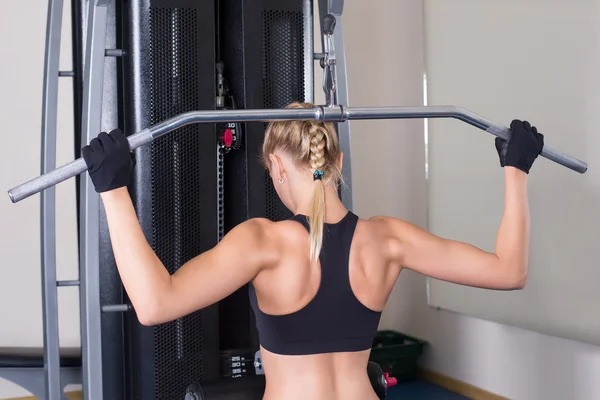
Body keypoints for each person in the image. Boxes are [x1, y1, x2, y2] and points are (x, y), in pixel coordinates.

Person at [81, 102, 544, 400]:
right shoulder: (388, 240)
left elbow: (154, 303)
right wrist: (515, 170)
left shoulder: (264, 241)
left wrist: (113, 190)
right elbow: (510, 271)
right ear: (337, 161)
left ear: (278, 168)